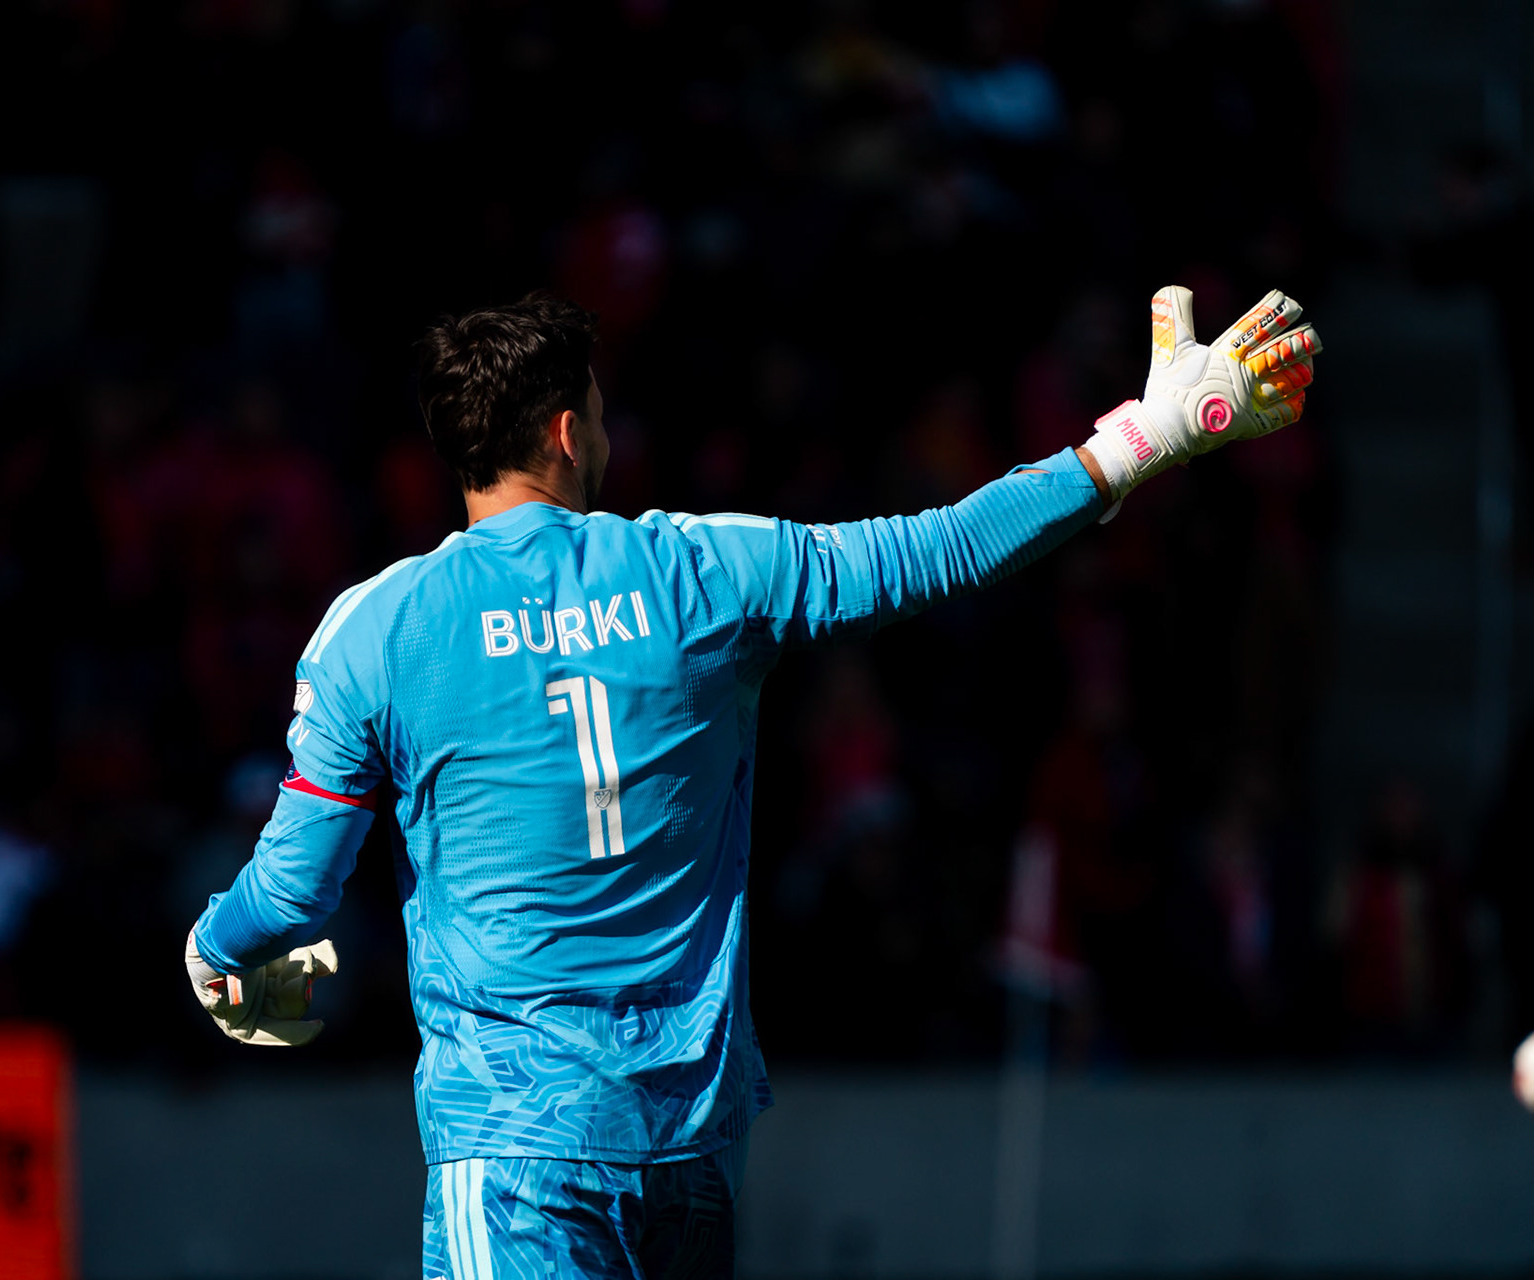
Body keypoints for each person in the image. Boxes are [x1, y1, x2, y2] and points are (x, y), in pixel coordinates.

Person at [184, 287, 1320, 1278]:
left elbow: (291, 893)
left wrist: (217, 949)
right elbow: (944, 547)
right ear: (574, 431)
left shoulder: (373, 633)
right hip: (688, 1139)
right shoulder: (706, 570)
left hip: (516, 1143)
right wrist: (1148, 435)